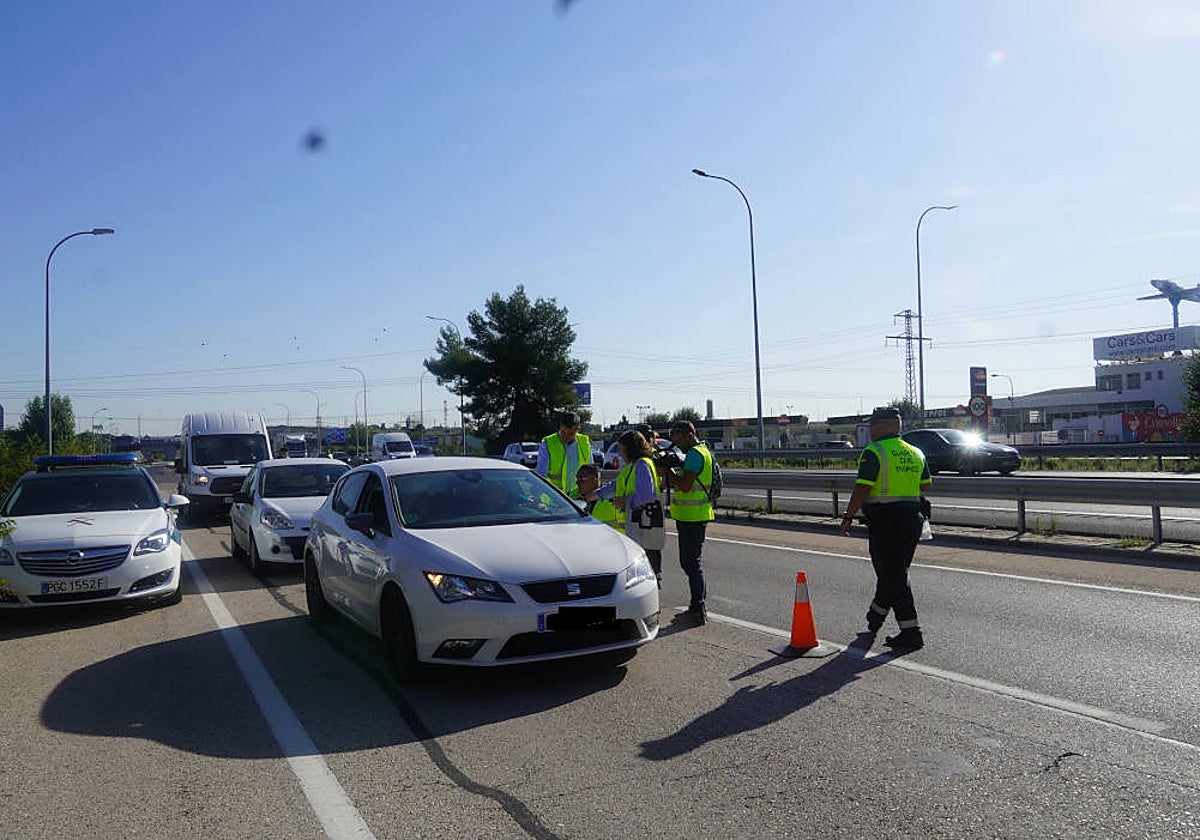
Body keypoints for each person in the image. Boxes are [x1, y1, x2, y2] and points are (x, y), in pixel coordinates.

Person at [839, 406, 932, 650]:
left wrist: (848, 516)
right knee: (895, 573)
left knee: (892, 574)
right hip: (912, 520)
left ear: (888, 425)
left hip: (885, 522)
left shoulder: (874, 451)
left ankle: (911, 632)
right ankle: (875, 617)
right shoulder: (916, 452)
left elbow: (862, 487)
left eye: (874, 424)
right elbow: (926, 485)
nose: (870, 430)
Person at [593, 431, 663, 585]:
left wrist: (625, 501)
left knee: (648, 573)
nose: (619, 453)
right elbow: (615, 485)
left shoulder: (642, 465)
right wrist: (595, 495)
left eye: (621, 449)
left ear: (630, 449)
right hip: (639, 527)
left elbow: (646, 496)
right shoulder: (632, 466)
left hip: (645, 526)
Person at [662, 420, 714, 625]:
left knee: (691, 563)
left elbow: (684, 485)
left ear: (689, 435)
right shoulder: (703, 450)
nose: (676, 443)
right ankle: (696, 605)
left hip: (693, 516)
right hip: (693, 515)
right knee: (692, 562)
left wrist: (670, 474)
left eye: (678, 438)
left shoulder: (694, 455)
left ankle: (698, 606)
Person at [536, 411, 591, 495]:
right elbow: (541, 475)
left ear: (577, 430)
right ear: (560, 426)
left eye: (571, 434)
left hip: (576, 498)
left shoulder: (584, 443)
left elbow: (591, 472)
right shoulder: (548, 444)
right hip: (553, 498)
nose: (566, 437)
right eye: (563, 432)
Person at [574, 462, 624, 533]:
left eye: (582, 479)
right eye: (577, 478)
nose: (577, 482)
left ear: (595, 480)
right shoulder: (573, 496)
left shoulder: (612, 500)